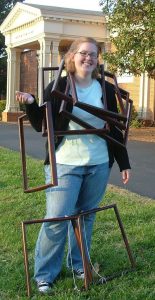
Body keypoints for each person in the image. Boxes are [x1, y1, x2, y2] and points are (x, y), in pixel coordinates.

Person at [16, 37, 131, 294]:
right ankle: (45, 274)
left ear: (97, 59)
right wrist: (32, 103)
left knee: (85, 218)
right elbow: (43, 126)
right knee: (57, 219)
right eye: (83, 53)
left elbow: (115, 129)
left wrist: (124, 163)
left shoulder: (106, 89)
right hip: (65, 163)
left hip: (98, 163)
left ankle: (79, 265)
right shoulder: (59, 86)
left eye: (93, 54)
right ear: (72, 57)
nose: (88, 58)